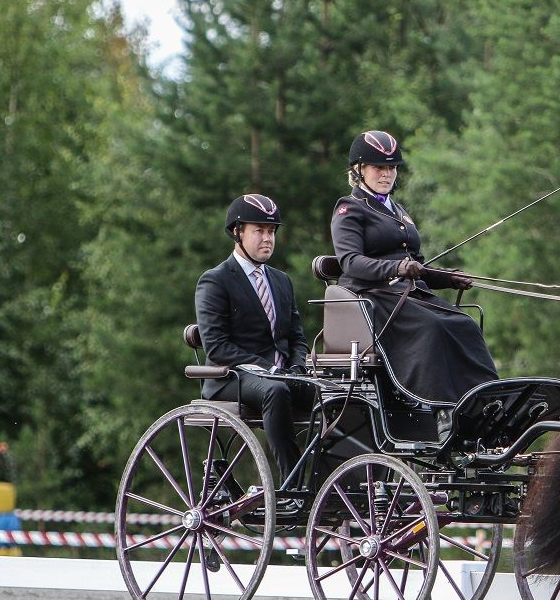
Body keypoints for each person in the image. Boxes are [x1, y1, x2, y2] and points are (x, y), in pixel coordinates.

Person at [330, 130, 497, 403]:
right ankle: (439, 407)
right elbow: (350, 262)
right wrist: (396, 268)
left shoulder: (398, 210)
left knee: (465, 325)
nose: (387, 174)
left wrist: (448, 278)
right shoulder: (349, 209)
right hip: (374, 298)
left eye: (392, 168)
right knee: (432, 328)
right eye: (379, 167)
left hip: (412, 296)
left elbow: (416, 265)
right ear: (359, 170)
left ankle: (486, 401)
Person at [195, 194, 313, 484]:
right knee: (276, 391)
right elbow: (217, 346)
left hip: (282, 376)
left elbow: (297, 338)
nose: (267, 238)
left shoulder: (281, 281)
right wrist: (268, 368)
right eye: (259, 230)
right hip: (230, 377)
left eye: (271, 231)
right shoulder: (215, 280)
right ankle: (292, 483)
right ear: (238, 232)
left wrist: (297, 366)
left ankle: (338, 481)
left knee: (340, 396)